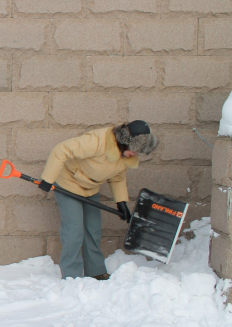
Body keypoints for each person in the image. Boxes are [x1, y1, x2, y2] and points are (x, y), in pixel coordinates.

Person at [38, 120, 158, 280]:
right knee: (74, 229)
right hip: (68, 183)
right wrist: (48, 178)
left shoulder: (125, 155)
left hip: (90, 188)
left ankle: (95, 271)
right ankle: (71, 275)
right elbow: (61, 149)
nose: (135, 154)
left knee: (93, 229)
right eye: (134, 150)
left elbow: (117, 176)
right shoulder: (97, 141)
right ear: (125, 142)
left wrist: (121, 202)